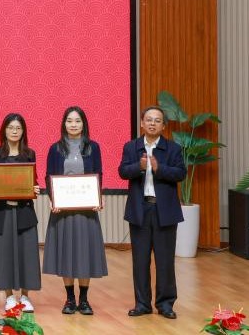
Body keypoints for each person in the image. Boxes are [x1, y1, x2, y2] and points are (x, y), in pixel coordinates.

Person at [118, 105, 186, 320]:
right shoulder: (131, 147)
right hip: (140, 209)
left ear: (163, 125)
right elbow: (122, 172)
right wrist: (138, 167)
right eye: (149, 120)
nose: (152, 123)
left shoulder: (173, 148)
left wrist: (159, 169)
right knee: (140, 260)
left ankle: (165, 304)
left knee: (165, 261)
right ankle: (142, 304)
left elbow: (181, 173)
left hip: (164, 210)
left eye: (157, 120)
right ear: (142, 123)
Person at [42, 106, 108, 316]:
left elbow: (98, 173)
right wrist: (53, 199)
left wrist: (98, 196)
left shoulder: (93, 147)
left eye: (77, 121)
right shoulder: (55, 149)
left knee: (84, 252)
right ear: (64, 124)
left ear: (83, 124)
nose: (73, 124)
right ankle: (70, 299)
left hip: (86, 209)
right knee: (67, 252)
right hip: (62, 209)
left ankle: (84, 299)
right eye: (69, 121)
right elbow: (49, 176)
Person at [0, 113, 41, 312]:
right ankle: (9, 296)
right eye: (10, 128)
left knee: (27, 254)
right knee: (4, 253)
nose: (14, 131)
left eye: (18, 128)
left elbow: (33, 181)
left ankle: (25, 297)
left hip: (24, 211)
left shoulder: (29, 154)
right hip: (2, 212)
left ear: (23, 131)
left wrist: (35, 189)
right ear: (4, 130)